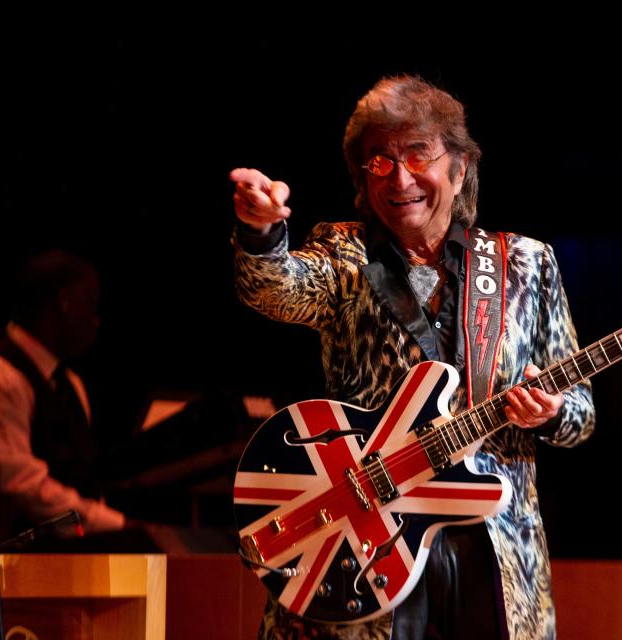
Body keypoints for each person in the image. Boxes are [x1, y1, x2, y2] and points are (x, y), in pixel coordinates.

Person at [231, 75, 595, 640]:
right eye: (380, 161)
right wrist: (261, 231)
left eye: (418, 154)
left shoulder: (527, 264)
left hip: (494, 552)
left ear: (460, 166)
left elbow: (581, 416)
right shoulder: (343, 254)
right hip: (369, 543)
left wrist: (550, 412)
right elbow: (274, 288)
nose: (399, 179)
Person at [0, 250, 125, 545]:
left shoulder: (70, 384)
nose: (96, 322)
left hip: (72, 560)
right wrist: (114, 523)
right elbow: (19, 486)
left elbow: (83, 477)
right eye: (91, 306)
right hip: (10, 572)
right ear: (65, 303)